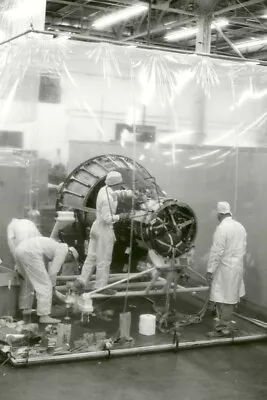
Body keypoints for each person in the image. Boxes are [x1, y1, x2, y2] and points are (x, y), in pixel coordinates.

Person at [73, 171, 134, 295]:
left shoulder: (104, 189)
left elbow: (116, 194)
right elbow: (107, 218)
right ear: (116, 184)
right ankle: (100, 287)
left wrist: (132, 194)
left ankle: (81, 282)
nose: (121, 186)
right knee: (104, 260)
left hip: (96, 227)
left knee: (91, 257)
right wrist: (123, 216)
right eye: (120, 184)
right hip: (104, 230)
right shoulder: (107, 200)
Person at [14, 236, 79, 324]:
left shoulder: (54, 246)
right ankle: (44, 316)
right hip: (31, 252)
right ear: (70, 254)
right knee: (45, 285)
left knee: (28, 282)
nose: (66, 262)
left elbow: (47, 270)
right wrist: (52, 287)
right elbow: (53, 272)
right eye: (69, 260)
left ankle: (25, 310)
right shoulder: (63, 250)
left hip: (19, 249)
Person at [206, 201, 247, 337]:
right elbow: (243, 248)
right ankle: (224, 324)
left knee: (225, 298)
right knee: (229, 297)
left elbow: (217, 251)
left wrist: (210, 270)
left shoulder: (222, 228)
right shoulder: (240, 226)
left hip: (225, 268)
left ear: (219, 214)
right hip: (237, 267)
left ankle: (223, 328)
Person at [7, 217, 42, 316]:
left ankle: (24, 310)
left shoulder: (11, 225)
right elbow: (40, 238)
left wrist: (16, 261)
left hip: (23, 253)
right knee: (30, 281)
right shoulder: (29, 223)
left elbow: (11, 242)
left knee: (26, 281)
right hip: (33, 252)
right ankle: (28, 309)